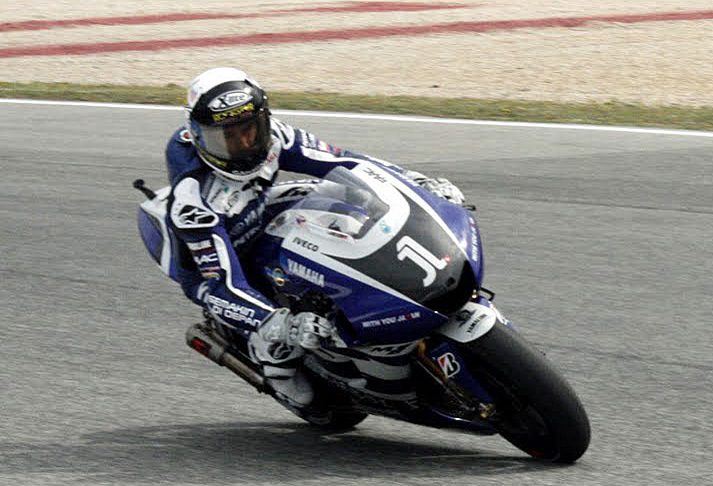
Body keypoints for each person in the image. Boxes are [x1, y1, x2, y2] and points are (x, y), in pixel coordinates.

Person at [165, 67, 465, 410]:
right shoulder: (194, 203)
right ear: (198, 136)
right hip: (219, 263)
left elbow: (345, 161)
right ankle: (277, 373)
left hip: (259, 209)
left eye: (249, 130)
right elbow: (222, 286)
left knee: (352, 200)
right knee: (281, 340)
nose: (244, 145)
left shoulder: (276, 136)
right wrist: (276, 322)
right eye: (227, 138)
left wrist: (416, 182)